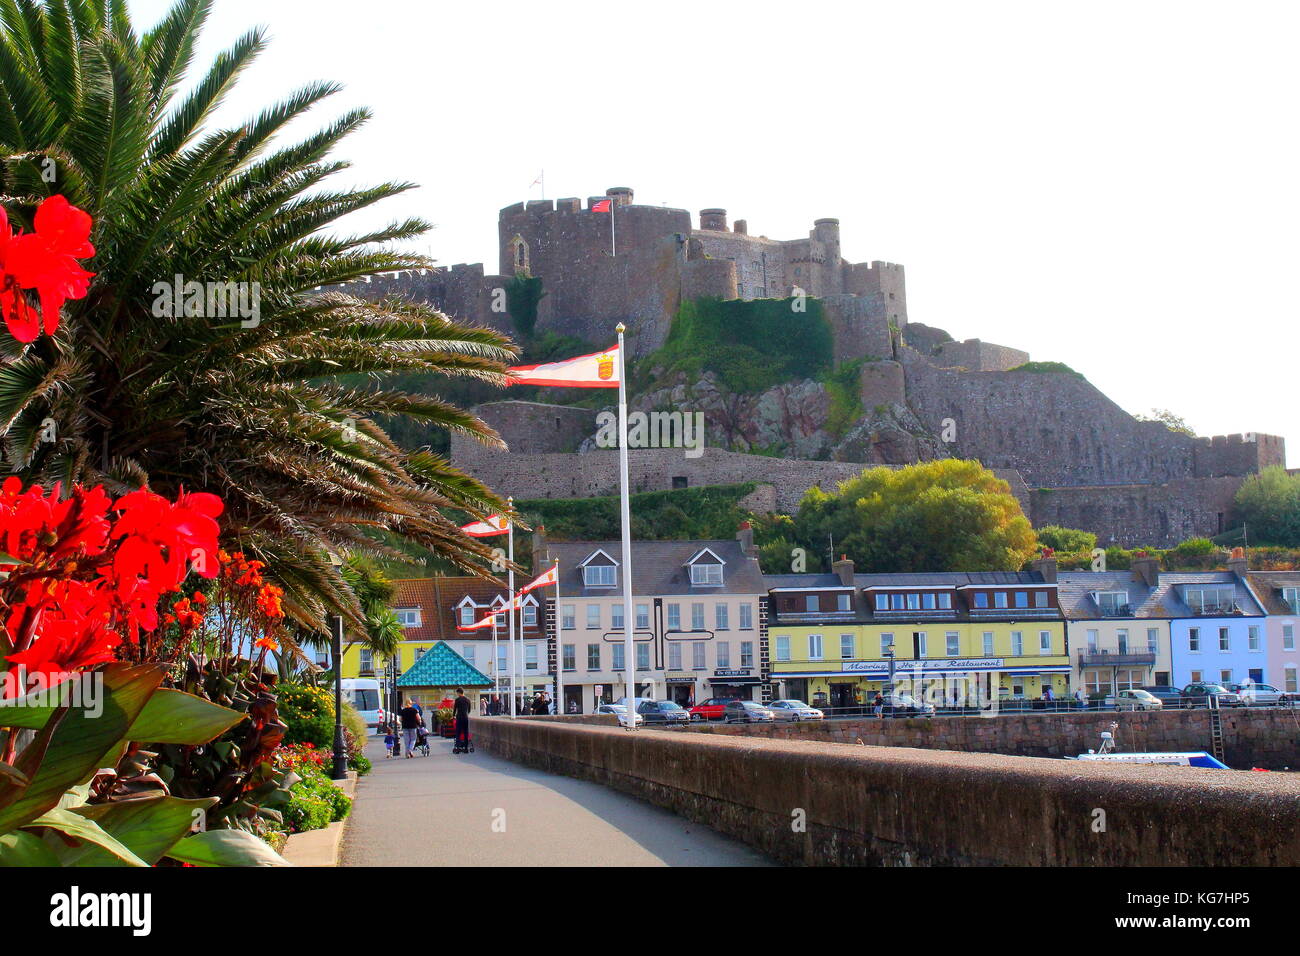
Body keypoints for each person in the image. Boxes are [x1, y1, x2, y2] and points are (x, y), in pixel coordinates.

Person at [453, 687, 471, 753]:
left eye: (457, 693)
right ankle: (466, 748)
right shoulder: (468, 700)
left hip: (459, 718)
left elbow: (455, 709)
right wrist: (466, 714)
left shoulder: (457, 700)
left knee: (458, 733)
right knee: (466, 733)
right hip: (465, 718)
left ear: (458, 692)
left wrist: (453, 716)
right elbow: (469, 710)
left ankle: (458, 748)